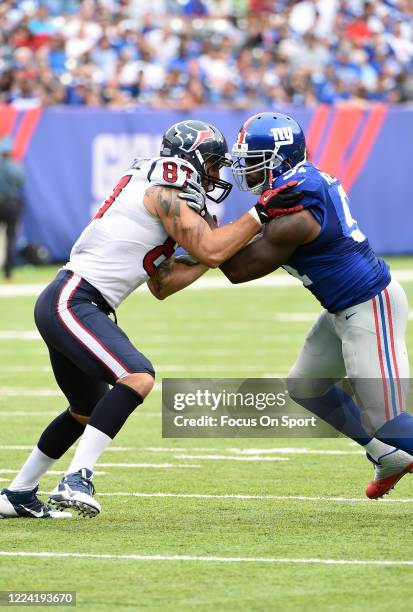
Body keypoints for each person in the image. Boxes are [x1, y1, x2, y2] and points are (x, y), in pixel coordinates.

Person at [0, 120, 286, 519]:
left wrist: (208, 256)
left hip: (78, 301)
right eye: (215, 164)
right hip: (74, 298)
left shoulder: (162, 191)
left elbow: (163, 284)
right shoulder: (167, 185)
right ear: (193, 159)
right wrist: (258, 216)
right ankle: (77, 477)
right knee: (138, 376)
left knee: (87, 408)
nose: (218, 175)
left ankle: (17, 494)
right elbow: (214, 249)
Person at [220, 111, 413, 500]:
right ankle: (386, 456)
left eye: (254, 162)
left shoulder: (297, 211)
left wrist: (196, 240)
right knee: (306, 385)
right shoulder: (295, 188)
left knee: (388, 421)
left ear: (279, 160)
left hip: (369, 306)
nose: (247, 171)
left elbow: (237, 268)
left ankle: (388, 442)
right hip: (342, 308)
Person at [0, 138, 25, 279]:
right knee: (10, 238)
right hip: (11, 204)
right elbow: (20, 183)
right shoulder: (17, 167)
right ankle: (8, 272)